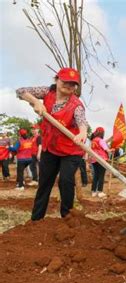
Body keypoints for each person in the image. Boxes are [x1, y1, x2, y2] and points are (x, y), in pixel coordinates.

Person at [16, 67, 88, 220]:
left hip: (70, 150)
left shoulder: (77, 105)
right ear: (57, 79)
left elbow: (82, 123)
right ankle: (36, 220)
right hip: (50, 148)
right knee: (44, 183)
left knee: (65, 181)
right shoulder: (48, 92)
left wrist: (82, 133)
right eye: (65, 81)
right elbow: (20, 91)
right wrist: (36, 101)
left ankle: (67, 218)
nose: (68, 86)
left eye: (72, 84)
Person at [90, 127, 113, 198]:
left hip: (94, 160)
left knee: (96, 176)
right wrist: (112, 150)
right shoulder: (101, 140)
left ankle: (93, 191)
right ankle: (100, 192)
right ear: (102, 133)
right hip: (102, 159)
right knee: (101, 176)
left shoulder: (93, 140)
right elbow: (107, 149)